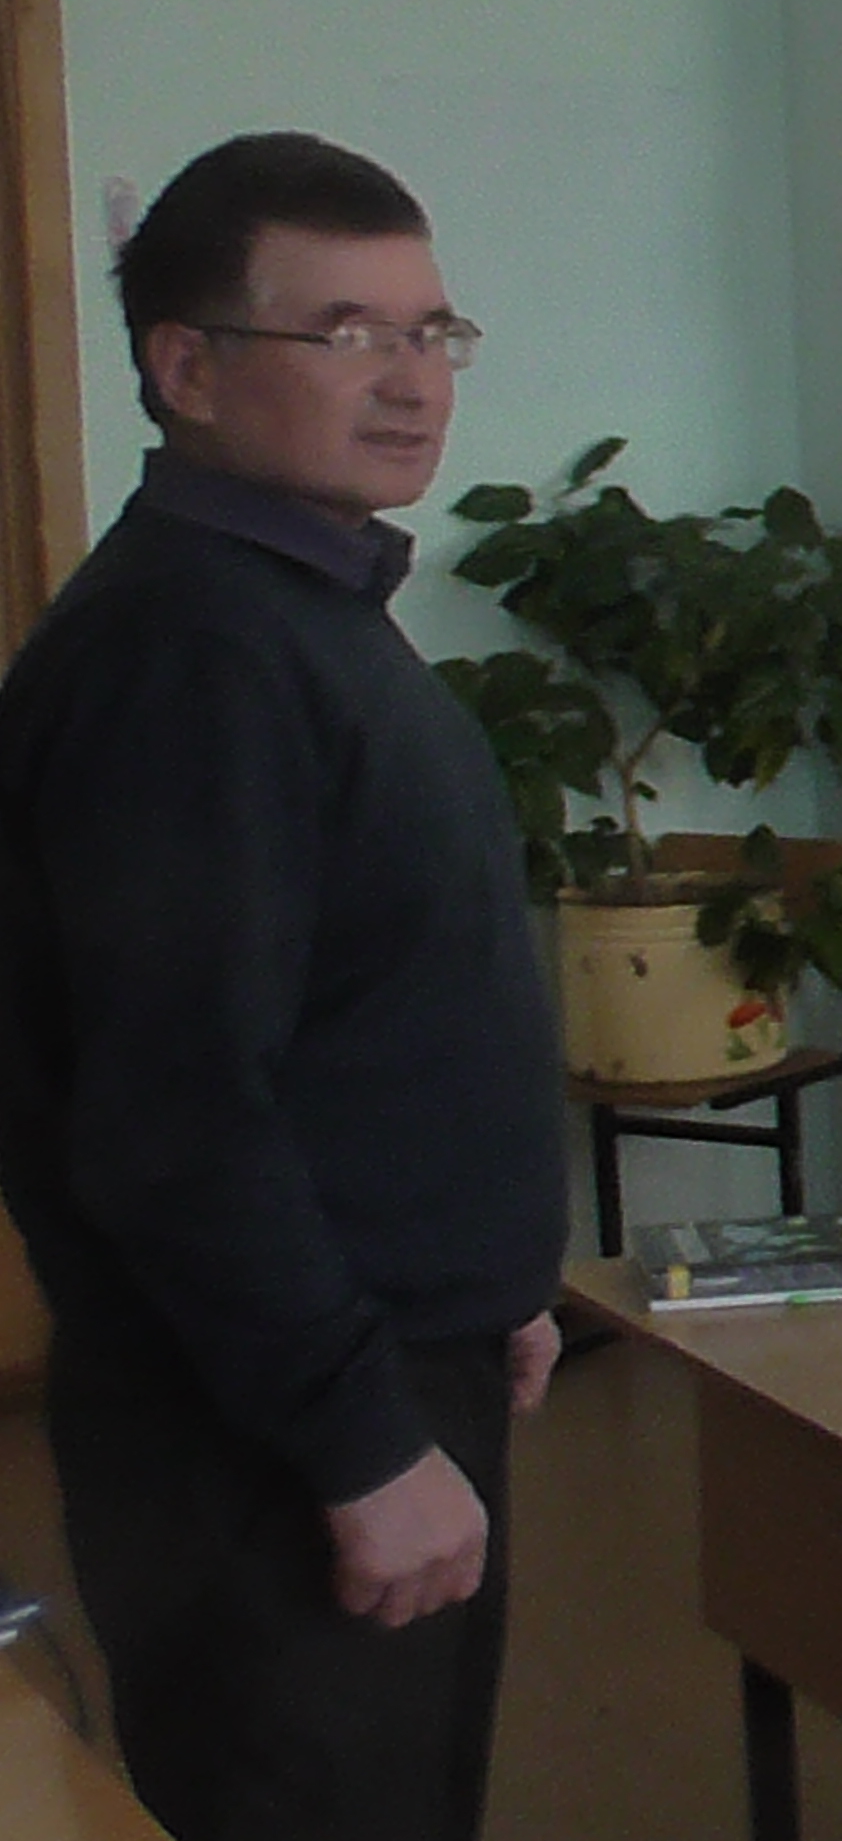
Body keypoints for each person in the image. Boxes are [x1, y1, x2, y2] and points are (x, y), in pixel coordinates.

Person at [0, 133, 562, 1841]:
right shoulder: (195, 651)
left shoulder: (297, 600)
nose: (410, 381)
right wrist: (361, 1441)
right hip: (266, 1435)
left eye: (432, 332)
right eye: (345, 333)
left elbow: (359, 1009)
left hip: (372, 1362)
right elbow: (174, 1114)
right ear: (185, 368)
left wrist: (486, 1276)